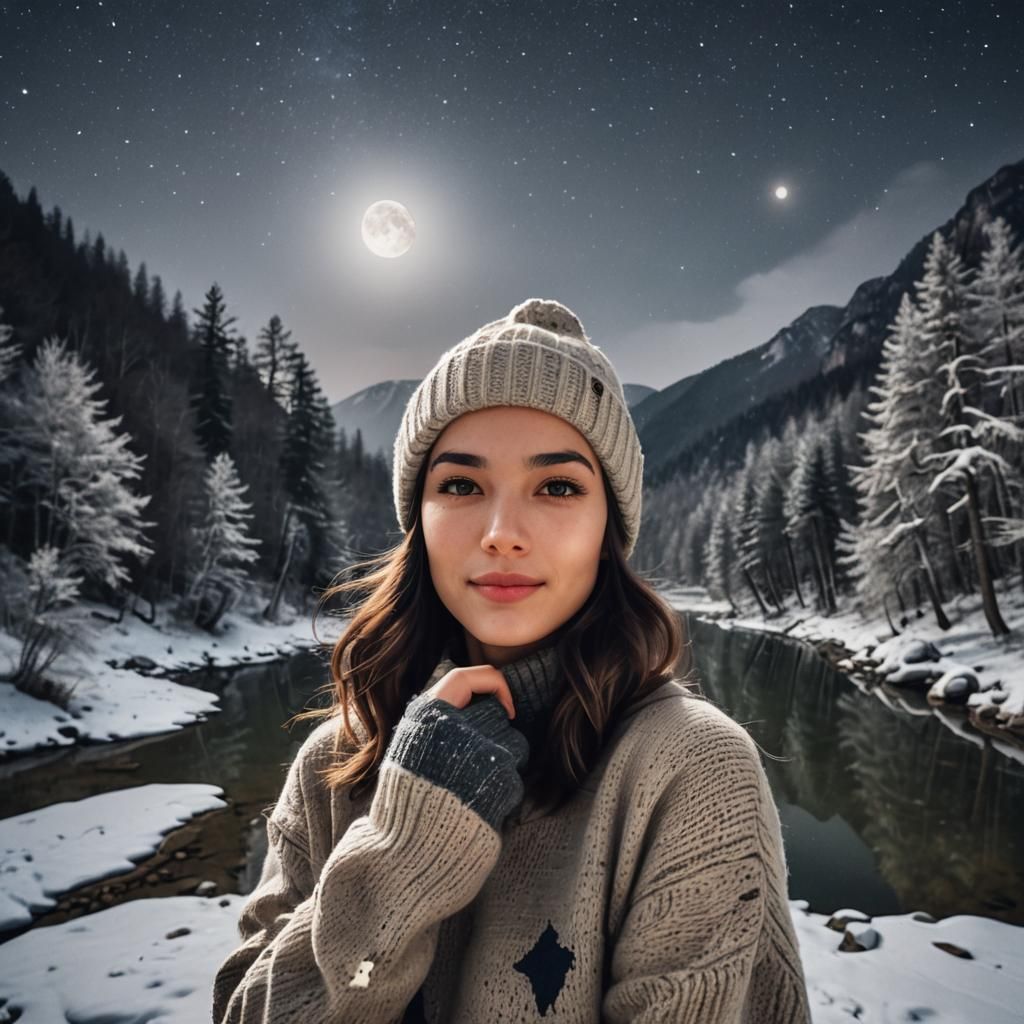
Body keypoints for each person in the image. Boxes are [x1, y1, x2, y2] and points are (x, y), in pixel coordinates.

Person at [211, 298, 812, 1023]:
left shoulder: (691, 770)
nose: (502, 533)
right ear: (420, 521)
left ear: (607, 530)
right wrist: (403, 851)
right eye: (460, 485)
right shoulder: (333, 762)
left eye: (557, 487)